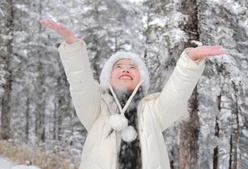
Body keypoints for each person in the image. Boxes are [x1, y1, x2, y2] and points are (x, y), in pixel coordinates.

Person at [39, 19, 227, 169]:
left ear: (142, 78)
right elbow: (80, 83)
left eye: (132, 67)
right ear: (108, 78)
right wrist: (72, 47)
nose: (125, 69)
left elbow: (176, 95)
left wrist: (189, 62)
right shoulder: (97, 108)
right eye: (118, 67)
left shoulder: (153, 111)